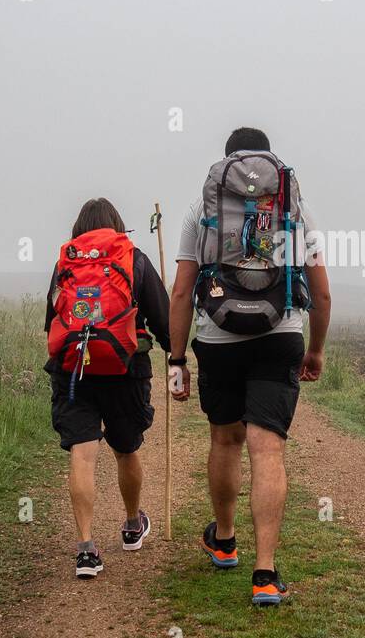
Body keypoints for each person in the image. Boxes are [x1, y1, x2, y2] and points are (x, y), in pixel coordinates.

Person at [167, 126, 332, 606]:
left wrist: (177, 359)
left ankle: (223, 539)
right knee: (268, 451)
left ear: (227, 164)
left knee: (225, 439)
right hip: (280, 335)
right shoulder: (296, 209)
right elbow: (321, 293)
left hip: (218, 335)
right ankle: (265, 574)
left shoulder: (201, 209)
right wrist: (315, 349)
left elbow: (181, 291)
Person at [44, 197, 171, 579]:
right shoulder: (135, 259)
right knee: (126, 448)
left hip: (73, 373)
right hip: (125, 370)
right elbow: (163, 320)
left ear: (79, 228)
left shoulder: (65, 263)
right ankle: (133, 525)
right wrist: (175, 355)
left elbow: (51, 322)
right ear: (117, 225)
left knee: (82, 455)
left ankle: (86, 550)